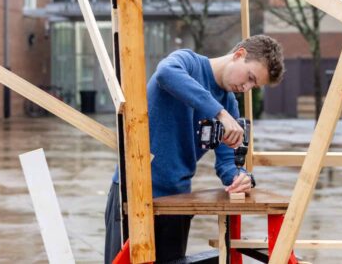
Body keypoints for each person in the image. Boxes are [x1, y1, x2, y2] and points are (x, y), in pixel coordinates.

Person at [105, 34, 285, 263]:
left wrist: (240, 177)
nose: (246, 87)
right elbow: (165, 74)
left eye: (254, 85)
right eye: (250, 77)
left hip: (176, 203)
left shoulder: (230, 104)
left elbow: (227, 162)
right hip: (131, 192)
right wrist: (218, 113)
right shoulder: (187, 62)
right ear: (239, 54)